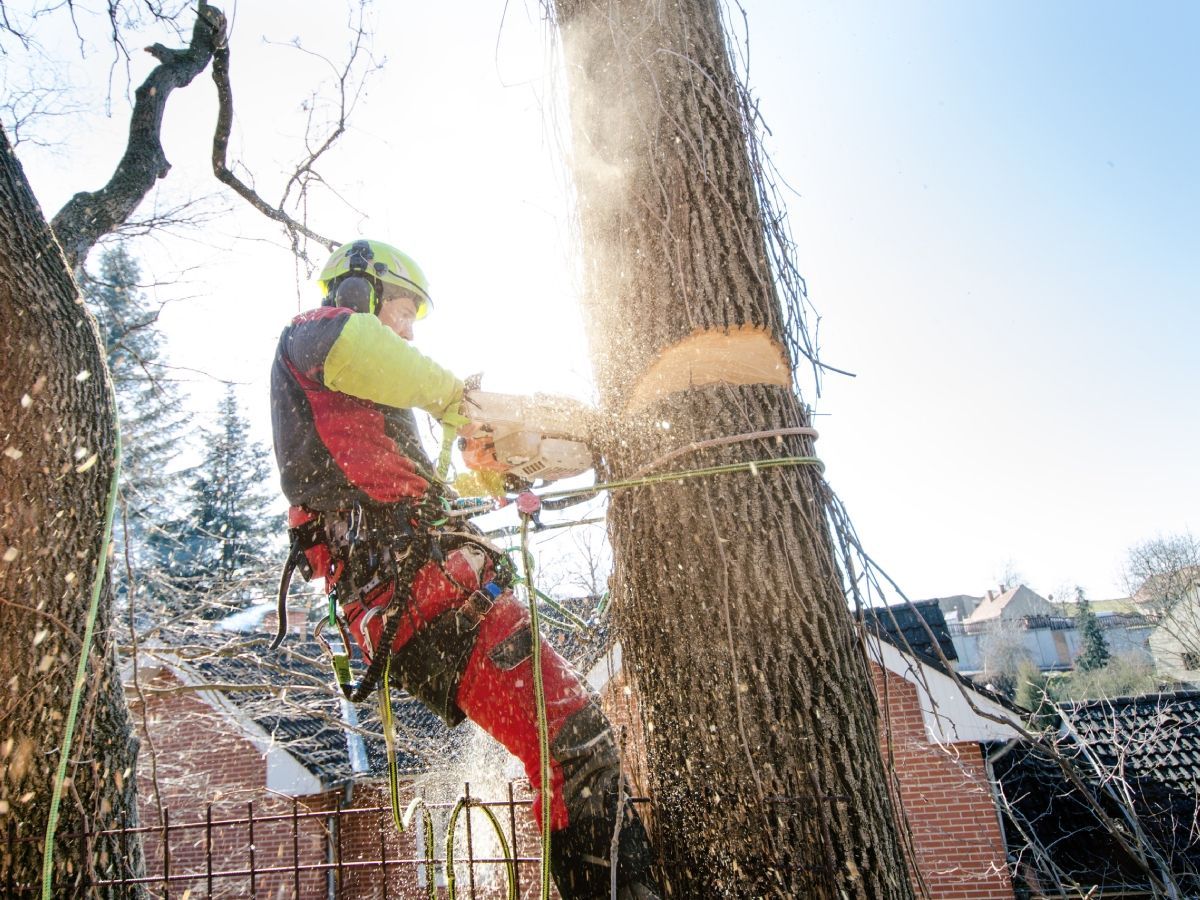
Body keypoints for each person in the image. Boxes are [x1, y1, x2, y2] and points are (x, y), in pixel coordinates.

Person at [270, 239, 660, 899]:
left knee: (569, 743)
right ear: (360, 291)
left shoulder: (363, 408)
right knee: (574, 745)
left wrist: (496, 479)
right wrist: (464, 404)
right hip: (421, 596)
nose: (409, 326)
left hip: (428, 589)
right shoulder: (316, 338)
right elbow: (382, 358)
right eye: (403, 307)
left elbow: (418, 492)